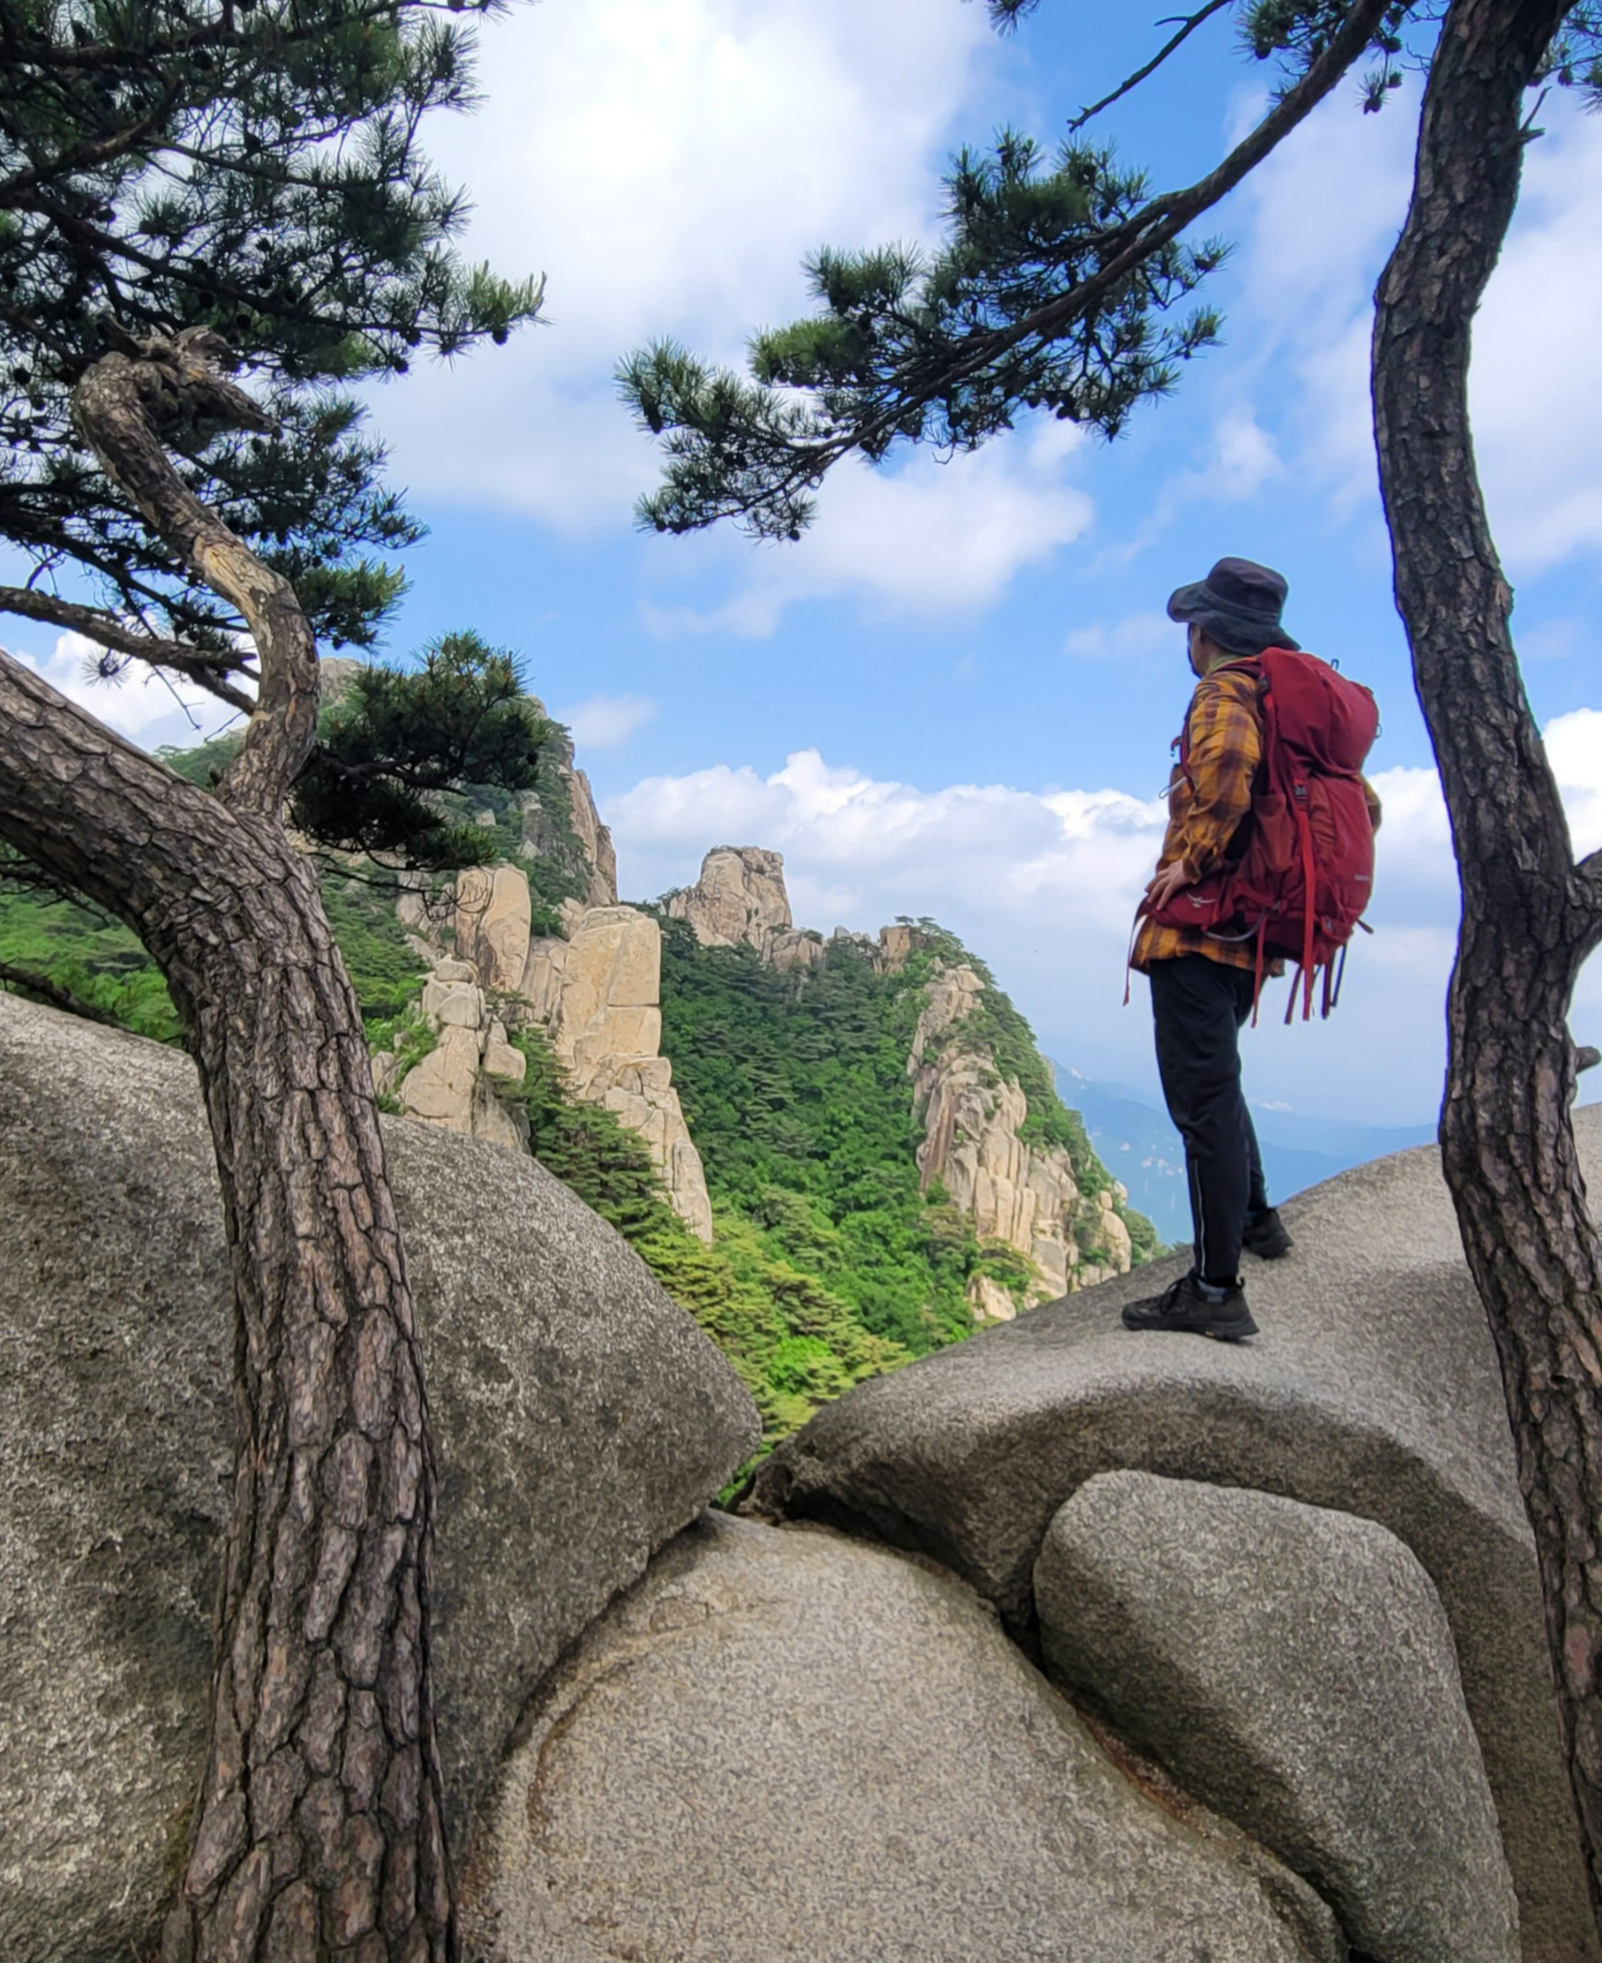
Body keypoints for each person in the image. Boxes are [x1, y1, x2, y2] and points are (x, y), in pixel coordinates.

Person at [1120, 557, 1305, 1343]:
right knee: (1219, 1082)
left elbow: (1227, 774)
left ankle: (1215, 1287)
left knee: (1201, 1103)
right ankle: (1260, 1221)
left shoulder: (1225, 691)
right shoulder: (1284, 700)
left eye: (1191, 626)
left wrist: (1184, 867)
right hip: (1248, 934)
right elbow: (1361, 802)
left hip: (1202, 931)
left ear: (1206, 632)